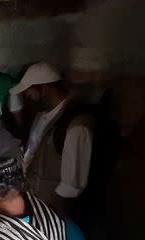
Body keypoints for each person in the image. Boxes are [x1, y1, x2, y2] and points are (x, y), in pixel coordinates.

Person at [9, 62, 94, 217]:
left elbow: (71, 186)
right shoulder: (42, 116)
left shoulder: (75, 125)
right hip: (37, 203)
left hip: (54, 212)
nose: (27, 95)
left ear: (45, 88)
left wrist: (53, 217)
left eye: (29, 90)